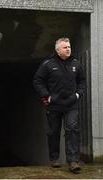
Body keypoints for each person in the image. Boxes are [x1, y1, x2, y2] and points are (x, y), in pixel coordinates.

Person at [33, 37, 85, 174]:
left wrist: (78, 94)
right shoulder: (48, 64)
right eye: (65, 47)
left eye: (69, 46)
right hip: (54, 105)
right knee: (53, 132)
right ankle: (54, 158)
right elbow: (38, 81)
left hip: (71, 104)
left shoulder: (76, 63)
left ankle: (73, 161)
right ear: (57, 50)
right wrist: (47, 96)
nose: (68, 49)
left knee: (72, 129)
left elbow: (82, 81)